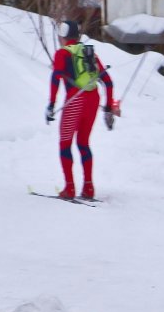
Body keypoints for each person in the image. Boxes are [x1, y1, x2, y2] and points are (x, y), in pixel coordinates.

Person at [46, 19, 119, 200]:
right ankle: (88, 188)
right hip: (93, 100)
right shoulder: (89, 53)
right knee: (83, 143)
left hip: (74, 101)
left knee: (65, 143)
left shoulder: (62, 54)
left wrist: (51, 105)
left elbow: (56, 79)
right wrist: (108, 108)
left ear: (62, 36)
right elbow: (108, 82)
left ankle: (69, 189)